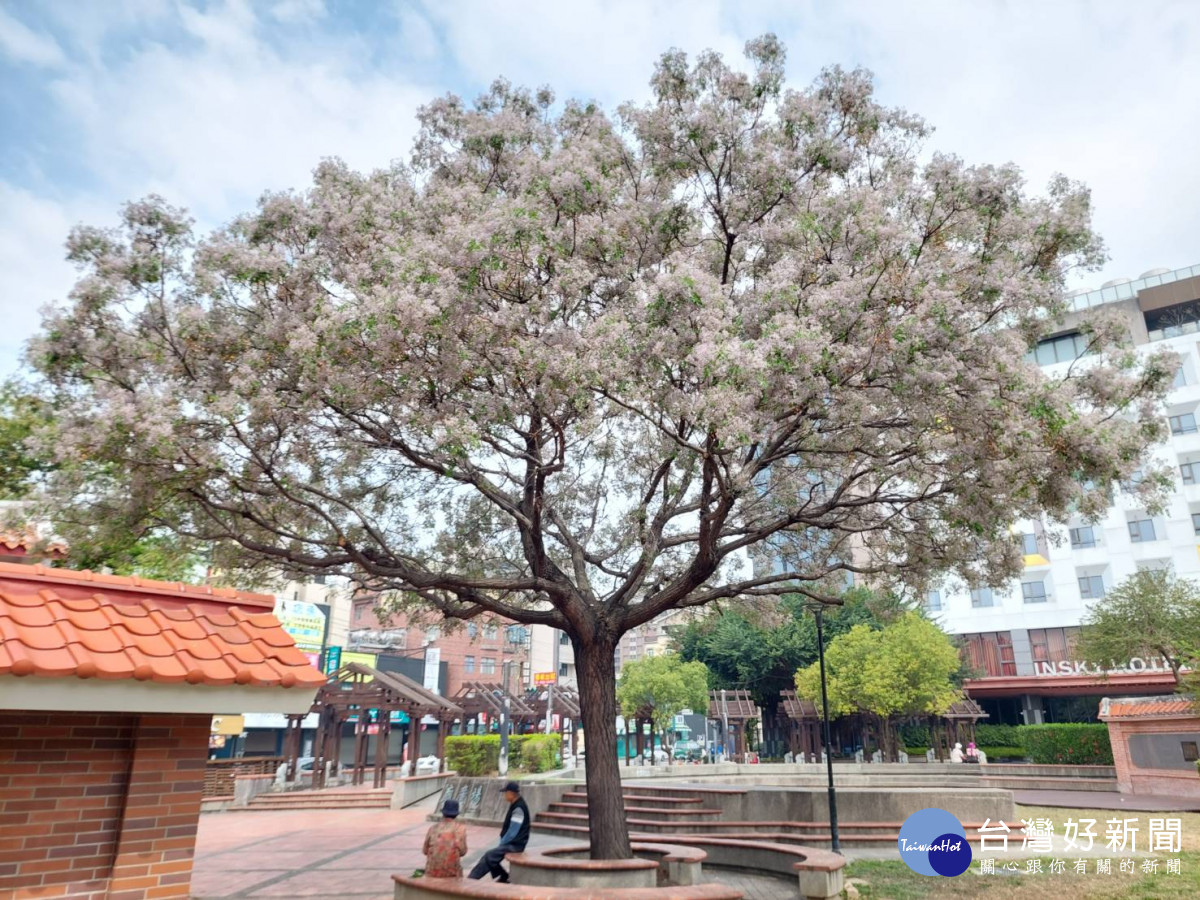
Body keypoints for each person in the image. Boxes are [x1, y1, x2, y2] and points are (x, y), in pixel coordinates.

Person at [468, 781, 530, 882]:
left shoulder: (519, 808)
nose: (504, 795)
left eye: (506, 793)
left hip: (516, 845)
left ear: (511, 793)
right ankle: (500, 876)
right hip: (513, 843)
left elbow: (512, 832)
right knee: (489, 857)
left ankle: (472, 879)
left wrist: (502, 844)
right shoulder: (516, 804)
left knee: (489, 856)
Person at [422, 798, 468, 878]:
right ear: (456, 814)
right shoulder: (461, 829)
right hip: (451, 873)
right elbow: (463, 852)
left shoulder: (433, 828)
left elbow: (425, 850)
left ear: (443, 813)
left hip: (431, 872)